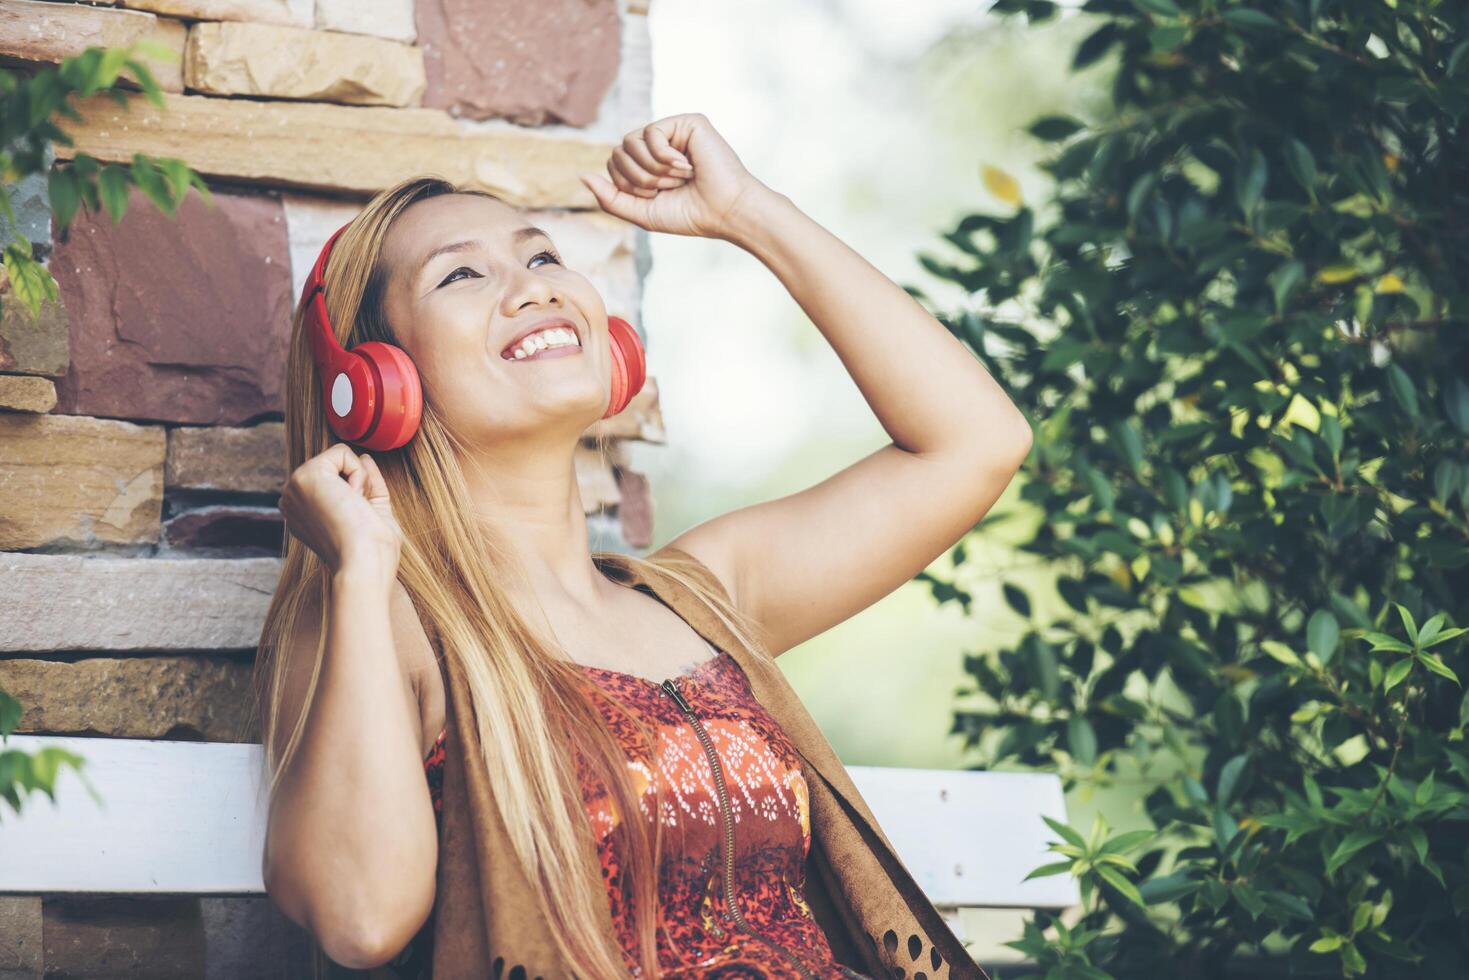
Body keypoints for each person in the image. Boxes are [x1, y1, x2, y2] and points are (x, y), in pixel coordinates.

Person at [254, 112, 1032, 978]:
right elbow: (361, 919)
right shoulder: (383, 614)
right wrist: (361, 571)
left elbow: (976, 443)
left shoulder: (701, 597)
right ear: (375, 383)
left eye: (542, 256)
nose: (534, 286)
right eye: (463, 274)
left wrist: (747, 213)